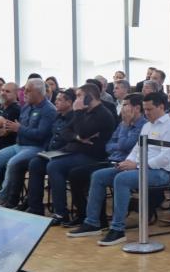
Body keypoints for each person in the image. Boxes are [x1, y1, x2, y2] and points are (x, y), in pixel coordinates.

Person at [68, 92, 170, 246]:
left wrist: (137, 165)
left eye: (149, 109)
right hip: (139, 167)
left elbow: (165, 158)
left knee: (122, 179)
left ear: (161, 107)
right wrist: (127, 162)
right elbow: (137, 149)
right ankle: (92, 222)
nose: (146, 113)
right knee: (99, 176)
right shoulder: (148, 126)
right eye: (145, 109)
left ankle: (118, 229)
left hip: (160, 173)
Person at [0, 78, 56, 204]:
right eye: (24, 90)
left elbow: (41, 135)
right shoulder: (26, 107)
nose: (24, 93)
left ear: (38, 92)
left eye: (28, 90)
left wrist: (19, 129)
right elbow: (17, 126)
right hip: (19, 144)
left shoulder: (48, 110)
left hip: (36, 147)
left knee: (12, 163)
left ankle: (2, 197)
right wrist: (11, 129)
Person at [37, 84, 115, 223]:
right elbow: (65, 132)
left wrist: (78, 114)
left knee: (55, 166)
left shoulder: (103, 114)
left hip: (93, 156)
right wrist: (78, 137)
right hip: (76, 152)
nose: (76, 100)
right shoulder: (85, 111)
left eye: (79, 96)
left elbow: (83, 131)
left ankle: (63, 213)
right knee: (45, 163)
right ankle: (66, 212)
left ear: (89, 97)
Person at [66, 93, 146, 227]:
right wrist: (120, 144)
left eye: (125, 105)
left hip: (127, 164)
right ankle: (84, 215)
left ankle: (99, 219)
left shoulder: (142, 125)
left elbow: (126, 145)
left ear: (137, 108)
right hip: (111, 160)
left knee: (94, 176)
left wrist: (125, 129)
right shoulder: (122, 124)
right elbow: (109, 145)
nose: (122, 108)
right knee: (75, 174)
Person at [2, 88, 75, 211]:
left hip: (66, 154)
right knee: (31, 163)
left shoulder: (74, 118)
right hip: (50, 151)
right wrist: (46, 151)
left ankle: (60, 212)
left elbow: (48, 135)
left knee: (50, 166)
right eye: (56, 99)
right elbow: (51, 138)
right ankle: (32, 205)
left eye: (59, 100)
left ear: (70, 103)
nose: (55, 102)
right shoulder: (57, 116)